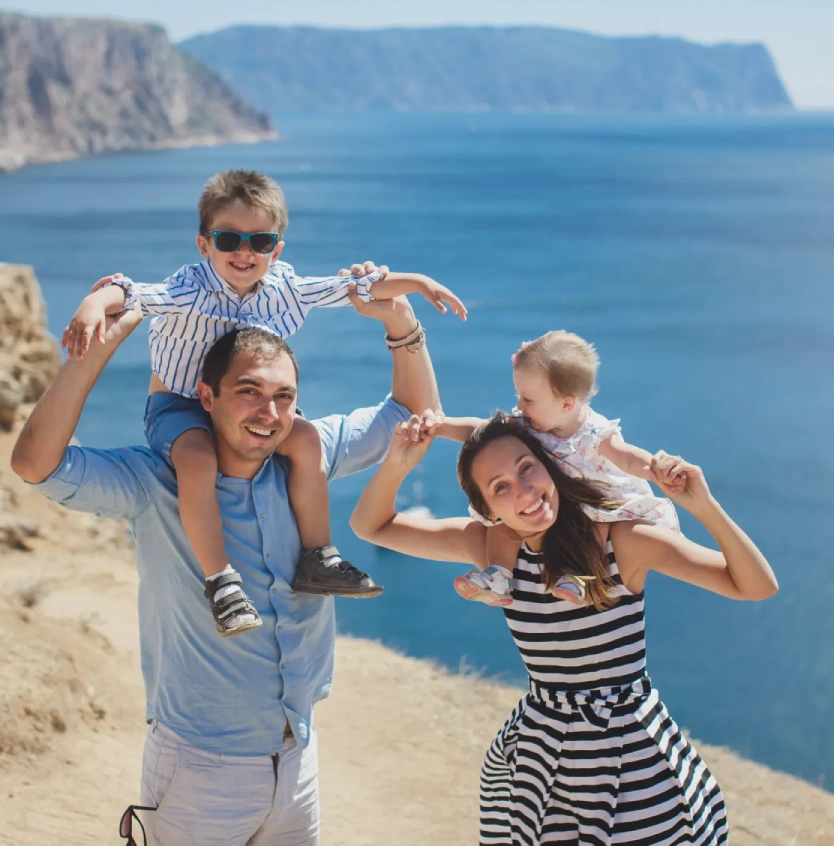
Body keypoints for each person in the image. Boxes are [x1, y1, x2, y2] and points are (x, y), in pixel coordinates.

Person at [11, 273, 440, 845]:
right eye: (249, 392)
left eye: (284, 396)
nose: (269, 412)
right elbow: (36, 464)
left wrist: (402, 326)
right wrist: (95, 356)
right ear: (206, 397)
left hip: (298, 756)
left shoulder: (306, 459)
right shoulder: (154, 482)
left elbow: (413, 415)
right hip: (199, 769)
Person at [60, 169, 466, 638]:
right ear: (203, 244)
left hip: (252, 409)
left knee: (308, 438)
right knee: (196, 460)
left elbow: (354, 288)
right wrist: (94, 303)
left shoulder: (284, 288)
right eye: (229, 238)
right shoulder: (188, 288)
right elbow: (132, 292)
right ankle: (221, 582)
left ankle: (317, 555)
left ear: (278, 248)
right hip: (179, 405)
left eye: (261, 240)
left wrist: (418, 283)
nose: (244, 251)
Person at [349, 410, 778, 845]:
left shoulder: (622, 542)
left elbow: (756, 586)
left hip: (631, 755)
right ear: (487, 511)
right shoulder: (493, 553)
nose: (525, 491)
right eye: (501, 488)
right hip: (543, 755)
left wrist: (705, 507)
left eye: (526, 467)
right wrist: (399, 462)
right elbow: (370, 526)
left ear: (549, 462)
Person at [438, 330, 680, 607]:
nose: (519, 405)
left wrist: (655, 467)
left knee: (594, 524)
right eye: (519, 396)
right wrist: (440, 427)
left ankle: (579, 575)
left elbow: (626, 457)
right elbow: (480, 429)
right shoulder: (530, 422)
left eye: (527, 399)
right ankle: (499, 577)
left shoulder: (595, 432)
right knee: (502, 524)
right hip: (555, 498)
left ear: (566, 403)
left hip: (594, 498)